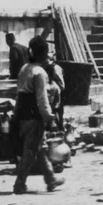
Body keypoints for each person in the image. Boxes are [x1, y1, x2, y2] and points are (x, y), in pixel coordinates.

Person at [12, 36, 65, 194]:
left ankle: (51, 180)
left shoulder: (25, 68)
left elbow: (19, 94)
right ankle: (19, 184)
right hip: (34, 116)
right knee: (30, 152)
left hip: (22, 114)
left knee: (40, 148)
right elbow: (42, 99)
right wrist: (50, 118)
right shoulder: (39, 73)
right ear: (44, 53)